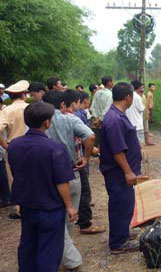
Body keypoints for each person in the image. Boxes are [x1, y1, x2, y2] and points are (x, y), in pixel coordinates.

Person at [9, 102, 77, 272]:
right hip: (50, 207)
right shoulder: (55, 148)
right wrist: (70, 206)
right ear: (47, 123)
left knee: (28, 244)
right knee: (49, 249)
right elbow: (62, 182)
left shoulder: (15, 145)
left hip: (27, 205)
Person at [43, 90, 96, 271]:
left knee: (56, 217)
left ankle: (67, 257)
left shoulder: (41, 123)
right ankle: (69, 257)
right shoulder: (69, 119)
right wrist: (86, 158)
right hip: (71, 172)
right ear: (63, 105)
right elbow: (90, 136)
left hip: (49, 177)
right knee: (69, 217)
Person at [100, 82, 142, 254]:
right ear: (128, 98)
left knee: (126, 204)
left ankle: (122, 233)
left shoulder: (117, 115)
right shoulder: (114, 119)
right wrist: (128, 171)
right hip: (118, 172)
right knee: (120, 205)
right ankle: (118, 243)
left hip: (121, 172)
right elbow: (117, 150)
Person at [73, 91, 105, 235]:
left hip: (63, 160)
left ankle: (74, 214)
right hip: (76, 158)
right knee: (83, 190)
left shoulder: (52, 117)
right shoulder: (75, 116)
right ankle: (85, 224)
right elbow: (89, 137)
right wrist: (88, 155)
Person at [0, 80, 29, 219]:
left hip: (14, 146)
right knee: (33, 174)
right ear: (24, 94)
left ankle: (19, 207)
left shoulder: (6, 110)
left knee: (15, 177)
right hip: (32, 145)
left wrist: (5, 145)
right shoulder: (31, 107)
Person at [90, 76, 114, 146]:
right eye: (112, 81)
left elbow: (92, 107)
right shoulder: (110, 94)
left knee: (100, 140)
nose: (113, 83)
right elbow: (107, 109)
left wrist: (95, 118)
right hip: (104, 121)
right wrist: (100, 120)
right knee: (106, 141)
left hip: (96, 121)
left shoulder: (97, 93)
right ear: (109, 83)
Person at [0, 98, 9, 209]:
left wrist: (6, 147)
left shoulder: (5, 114)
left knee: (3, 175)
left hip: (3, 150)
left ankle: (6, 198)